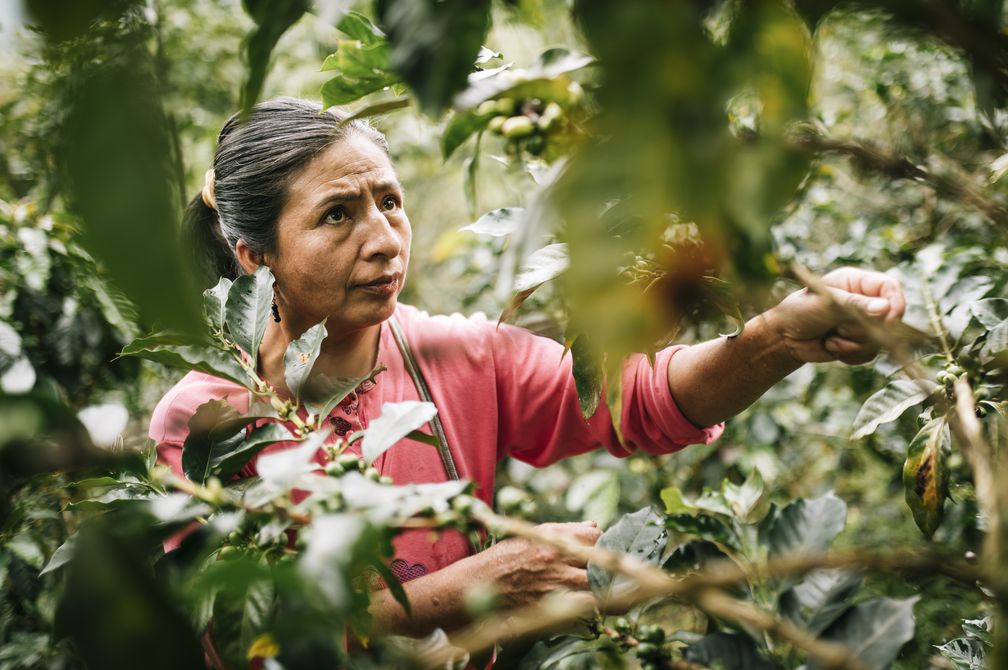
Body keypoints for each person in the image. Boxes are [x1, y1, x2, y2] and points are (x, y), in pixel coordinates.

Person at [149, 97, 905, 637]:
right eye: (338, 214)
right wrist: (476, 584)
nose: (384, 239)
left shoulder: (458, 355)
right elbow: (238, 621)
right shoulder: (205, 417)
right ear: (255, 256)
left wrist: (779, 337)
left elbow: (638, 396)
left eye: (390, 201)